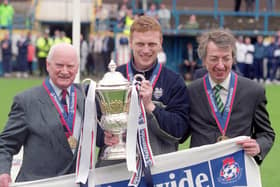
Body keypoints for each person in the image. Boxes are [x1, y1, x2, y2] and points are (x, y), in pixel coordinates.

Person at [97, 15, 189, 166]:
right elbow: (94, 125)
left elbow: (181, 132)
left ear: (160, 44)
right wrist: (103, 137)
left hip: (158, 170)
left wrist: (151, 107)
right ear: (131, 43)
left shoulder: (174, 82)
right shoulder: (113, 79)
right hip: (116, 171)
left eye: (152, 44)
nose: (146, 50)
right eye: (140, 44)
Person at [182, 29, 275, 164]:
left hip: (237, 173)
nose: (220, 65)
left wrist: (259, 146)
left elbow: (266, 134)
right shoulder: (191, 92)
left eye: (226, 58)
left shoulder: (253, 91)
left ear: (233, 58)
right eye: (214, 59)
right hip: (201, 173)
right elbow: (179, 135)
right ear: (204, 60)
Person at [0, 43, 84, 187]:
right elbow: (6, 144)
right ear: (48, 65)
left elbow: (99, 135)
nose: (65, 71)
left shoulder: (87, 95)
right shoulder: (26, 101)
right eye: (59, 65)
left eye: (70, 66)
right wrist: (3, 172)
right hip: (38, 183)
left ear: (77, 68)